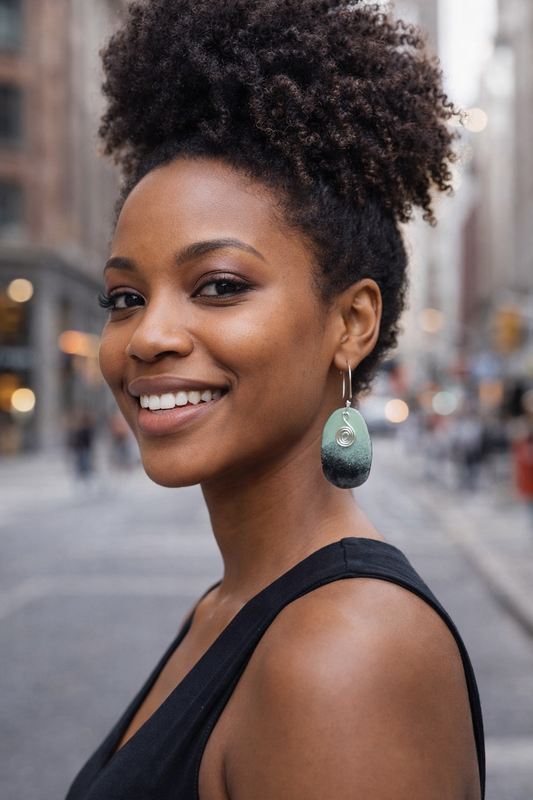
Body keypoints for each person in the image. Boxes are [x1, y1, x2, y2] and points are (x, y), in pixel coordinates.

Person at [66, 1, 485, 798]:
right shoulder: (231, 603)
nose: (147, 336)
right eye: (123, 298)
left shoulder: (343, 657)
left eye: (218, 286)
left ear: (351, 322)